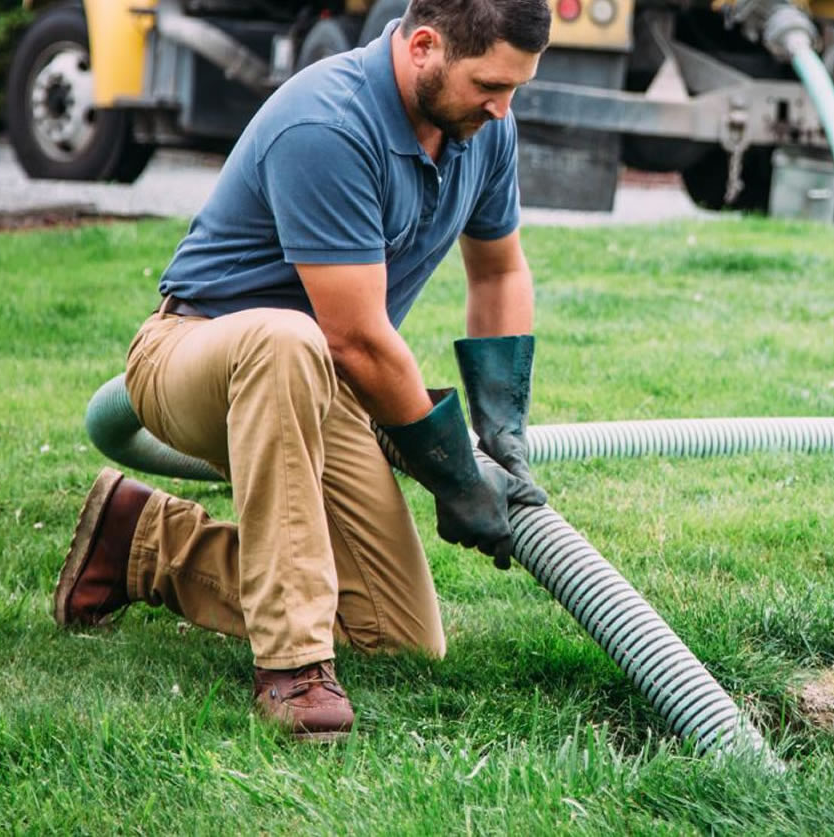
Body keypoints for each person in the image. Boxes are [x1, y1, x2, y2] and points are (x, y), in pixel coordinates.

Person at [51, 0, 553, 742]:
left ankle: (143, 544)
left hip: (325, 386)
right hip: (198, 353)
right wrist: (452, 470)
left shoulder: (482, 129)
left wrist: (500, 429)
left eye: (515, 88)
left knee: (398, 634)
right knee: (291, 339)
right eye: (489, 85)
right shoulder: (329, 123)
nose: (503, 107)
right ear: (424, 46)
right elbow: (352, 337)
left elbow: (500, 273)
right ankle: (292, 667)